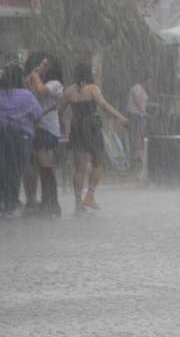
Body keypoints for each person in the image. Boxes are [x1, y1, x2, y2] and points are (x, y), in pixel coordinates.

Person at [58, 63, 129, 213]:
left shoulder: (69, 91)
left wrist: (63, 126)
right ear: (88, 74)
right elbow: (104, 105)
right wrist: (120, 117)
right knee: (98, 163)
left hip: (76, 126)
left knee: (79, 168)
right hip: (91, 126)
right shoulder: (92, 89)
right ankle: (90, 196)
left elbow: (60, 110)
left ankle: (78, 203)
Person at [24, 54, 65, 216]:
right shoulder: (39, 80)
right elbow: (27, 87)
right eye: (41, 64)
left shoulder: (55, 84)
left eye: (45, 65)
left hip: (48, 129)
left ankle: (51, 203)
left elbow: (42, 92)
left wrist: (35, 76)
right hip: (38, 127)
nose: (42, 67)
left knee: (46, 166)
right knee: (42, 167)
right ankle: (47, 202)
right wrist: (32, 75)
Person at [0, 64, 42, 217]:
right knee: (15, 170)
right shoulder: (27, 95)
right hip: (22, 137)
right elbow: (38, 115)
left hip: (1, 135)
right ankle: (11, 205)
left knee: (2, 169)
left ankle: (3, 202)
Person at [126, 71, 151, 167]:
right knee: (136, 134)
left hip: (140, 115)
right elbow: (137, 102)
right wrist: (145, 113)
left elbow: (143, 103)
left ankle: (138, 155)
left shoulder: (143, 89)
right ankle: (134, 156)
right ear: (145, 80)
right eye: (149, 81)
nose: (150, 83)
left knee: (140, 134)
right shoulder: (137, 88)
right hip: (135, 115)